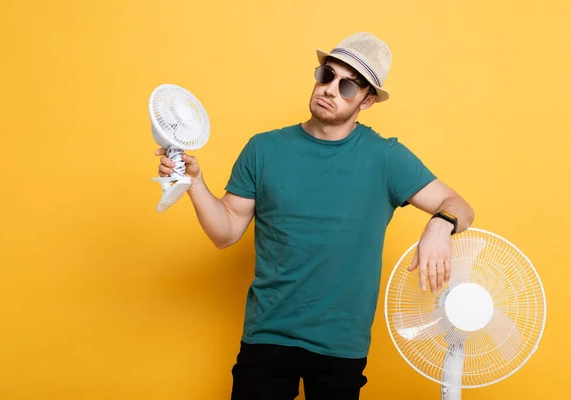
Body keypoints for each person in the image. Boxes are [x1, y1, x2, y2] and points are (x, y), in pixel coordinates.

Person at [155, 32, 474, 400]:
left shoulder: (385, 157)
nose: (329, 90)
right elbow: (225, 232)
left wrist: (439, 224)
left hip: (340, 346)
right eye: (326, 75)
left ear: (367, 101)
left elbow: (459, 206)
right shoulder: (263, 149)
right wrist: (194, 183)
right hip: (268, 337)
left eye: (348, 86)